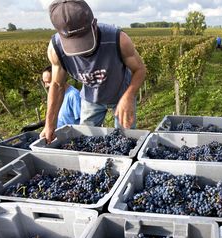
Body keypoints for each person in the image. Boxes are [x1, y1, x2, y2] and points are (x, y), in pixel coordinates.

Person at [41, 0, 146, 144]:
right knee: (85, 140)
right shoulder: (55, 49)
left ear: (94, 23)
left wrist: (129, 95)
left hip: (123, 93)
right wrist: (50, 124)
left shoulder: (118, 39)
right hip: (91, 98)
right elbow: (57, 85)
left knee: (126, 139)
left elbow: (140, 69)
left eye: (83, 38)